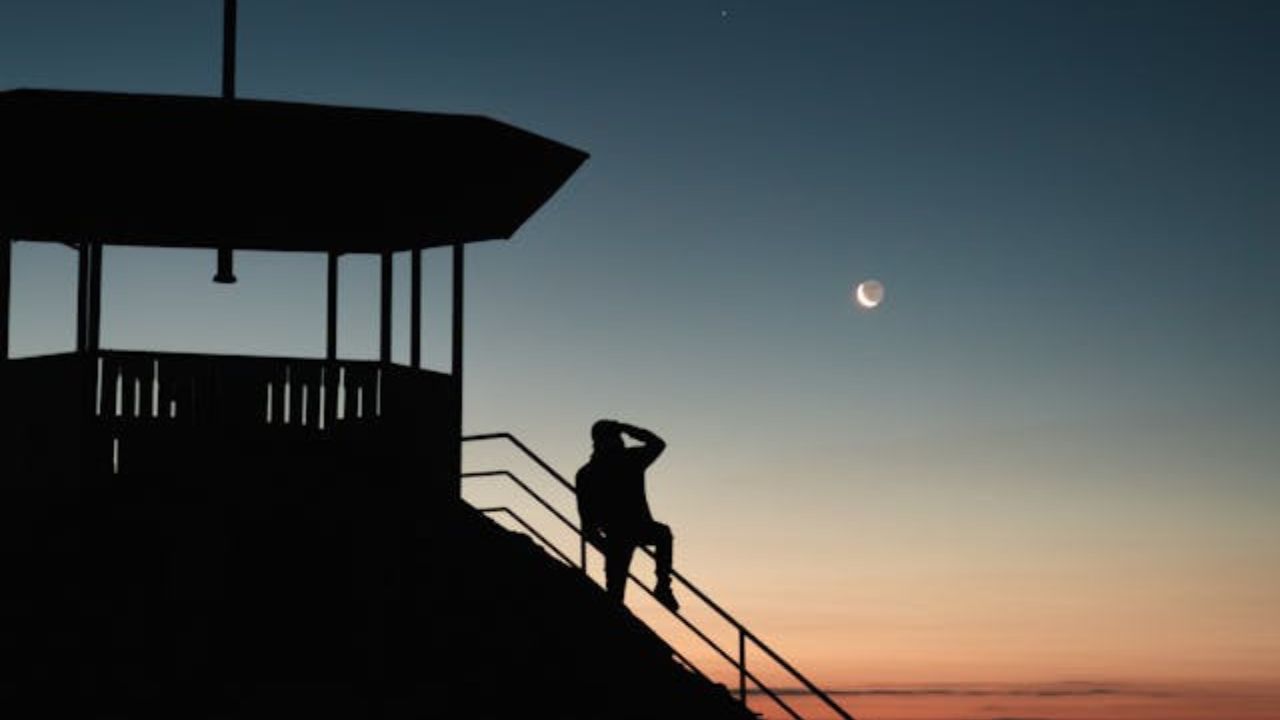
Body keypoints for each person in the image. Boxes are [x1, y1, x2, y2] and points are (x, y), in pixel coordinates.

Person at [576, 419, 679, 611]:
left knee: (615, 592)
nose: (619, 441)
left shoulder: (589, 472)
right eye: (616, 437)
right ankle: (663, 586)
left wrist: (603, 545)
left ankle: (663, 586)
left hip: (620, 534)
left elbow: (587, 522)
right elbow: (657, 443)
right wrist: (627, 428)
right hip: (625, 532)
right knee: (662, 534)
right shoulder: (628, 460)